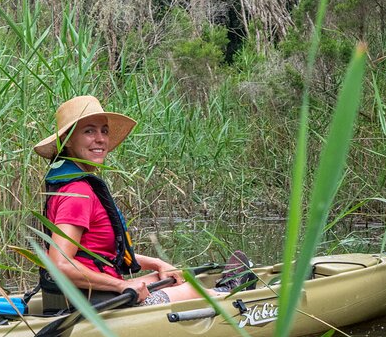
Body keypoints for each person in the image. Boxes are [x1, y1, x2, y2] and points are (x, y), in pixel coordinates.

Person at [33, 96, 253, 311]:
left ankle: (222, 290)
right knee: (194, 290)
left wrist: (156, 263)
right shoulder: (78, 192)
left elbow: (100, 256)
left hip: (90, 296)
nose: (100, 139)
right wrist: (122, 285)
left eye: (104, 131)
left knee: (170, 277)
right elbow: (60, 265)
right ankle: (228, 294)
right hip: (99, 304)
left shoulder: (70, 186)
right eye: (89, 131)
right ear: (68, 140)